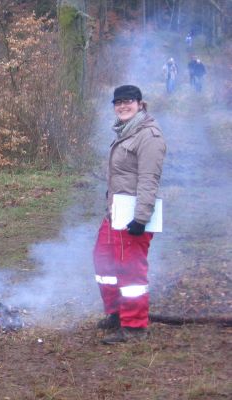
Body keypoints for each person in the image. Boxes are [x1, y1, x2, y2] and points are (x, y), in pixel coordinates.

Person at [93, 85, 166, 344]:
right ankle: (116, 314)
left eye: (128, 102)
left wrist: (141, 218)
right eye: (118, 102)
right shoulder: (125, 131)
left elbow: (149, 179)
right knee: (103, 262)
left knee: (130, 272)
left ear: (140, 104)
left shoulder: (149, 136)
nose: (123, 106)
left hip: (134, 217)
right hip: (116, 212)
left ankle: (134, 327)